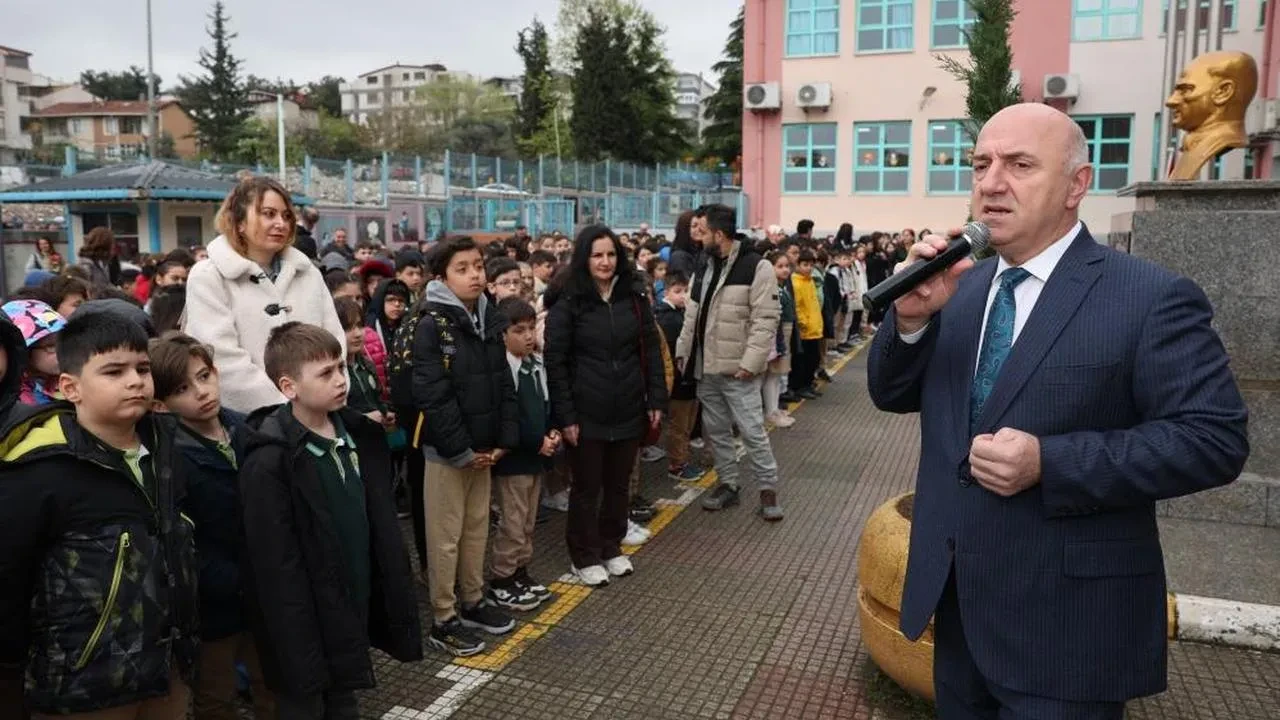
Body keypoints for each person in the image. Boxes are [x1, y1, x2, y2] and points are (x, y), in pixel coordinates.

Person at [866, 103, 1250, 718]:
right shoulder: (958, 289)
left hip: (1069, 632)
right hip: (957, 611)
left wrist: (1051, 462)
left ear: (1076, 185)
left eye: (1020, 165)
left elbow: (1214, 440)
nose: (992, 183)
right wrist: (910, 320)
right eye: (981, 165)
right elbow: (892, 394)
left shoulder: (1149, 298)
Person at [0, 313, 199, 718]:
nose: (135, 381)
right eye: (114, 371)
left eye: (142, 368)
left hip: (167, 670)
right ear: (70, 387)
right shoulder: (39, 469)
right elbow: (10, 578)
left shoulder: (167, 449)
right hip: (82, 685)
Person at [238, 322, 422, 719]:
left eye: (340, 368)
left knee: (344, 697)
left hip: (352, 600)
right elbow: (276, 566)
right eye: (325, 373)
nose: (341, 380)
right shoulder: (271, 460)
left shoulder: (359, 435)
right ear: (289, 387)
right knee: (305, 704)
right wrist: (294, 639)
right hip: (304, 618)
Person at [149, 333, 274, 720]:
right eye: (182, 389)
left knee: (272, 682)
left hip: (262, 587)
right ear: (160, 404)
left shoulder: (244, 429)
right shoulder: (169, 458)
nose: (201, 392)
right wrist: (227, 579)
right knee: (216, 694)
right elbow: (182, 538)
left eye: (204, 376)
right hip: (211, 602)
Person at [410, 236, 519, 656]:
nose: (475, 274)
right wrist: (461, 450)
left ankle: (473, 600)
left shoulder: (487, 317)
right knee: (445, 537)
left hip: (484, 450)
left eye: (478, 265)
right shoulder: (431, 324)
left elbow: (503, 383)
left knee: (476, 530)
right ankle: (443, 617)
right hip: (448, 453)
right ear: (441, 278)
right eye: (462, 268)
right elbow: (433, 396)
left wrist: (501, 442)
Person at [544, 225, 666, 587]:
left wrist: (655, 398)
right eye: (597, 255)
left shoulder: (634, 297)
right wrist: (566, 416)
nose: (605, 261)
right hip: (585, 413)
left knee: (618, 485)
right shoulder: (569, 301)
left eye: (611, 254)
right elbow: (555, 362)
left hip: (628, 407)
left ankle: (611, 546)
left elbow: (651, 350)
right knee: (586, 488)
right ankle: (583, 556)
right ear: (584, 258)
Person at [185, 176, 345, 414]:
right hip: (248, 419)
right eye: (269, 214)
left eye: (286, 216)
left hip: (320, 412)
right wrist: (286, 409)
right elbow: (221, 358)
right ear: (239, 221)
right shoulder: (209, 276)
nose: (281, 223)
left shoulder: (308, 272)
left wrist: (326, 395)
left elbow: (334, 338)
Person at [676, 204, 783, 520]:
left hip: (739, 370)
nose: (698, 236)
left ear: (719, 234)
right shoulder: (704, 264)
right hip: (706, 367)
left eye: (703, 230)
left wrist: (750, 363)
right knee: (716, 431)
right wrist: (684, 351)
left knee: (752, 431)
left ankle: (768, 490)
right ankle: (728, 484)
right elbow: (692, 313)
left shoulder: (756, 266)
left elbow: (766, 319)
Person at [487, 297, 559, 611]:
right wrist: (535, 441)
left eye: (531, 328)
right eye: (519, 330)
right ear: (502, 334)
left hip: (536, 458)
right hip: (514, 461)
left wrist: (553, 430)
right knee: (513, 523)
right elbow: (509, 418)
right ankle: (502, 579)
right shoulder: (503, 369)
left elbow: (545, 405)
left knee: (528, 521)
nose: (528, 336)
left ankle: (520, 571)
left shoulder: (536, 364)